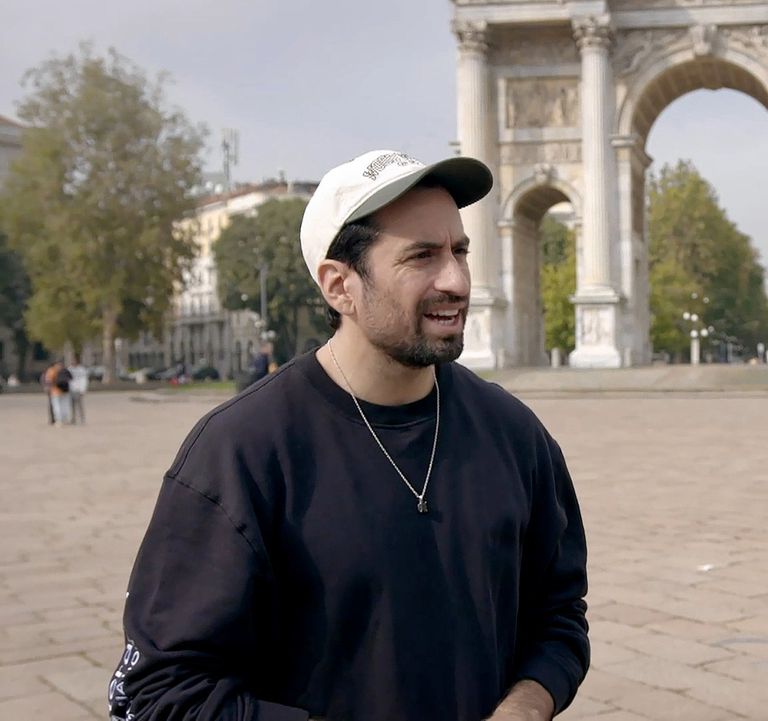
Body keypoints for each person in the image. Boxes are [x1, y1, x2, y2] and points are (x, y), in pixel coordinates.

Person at [110, 150, 589, 721]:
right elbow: (163, 692)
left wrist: (525, 707)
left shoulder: (515, 435)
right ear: (340, 286)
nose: (458, 281)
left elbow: (557, 617)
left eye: (460, 251)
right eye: (421, 257)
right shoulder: (241, 452)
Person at [68, 356, 89, 424]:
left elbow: (84, 380)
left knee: (80, 405)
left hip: (78, 389)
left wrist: (83, 389)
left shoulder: (81, 369)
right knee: (71, 405)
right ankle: (73, 419)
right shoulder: (69, 369)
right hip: (71, 389)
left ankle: (82, 419)